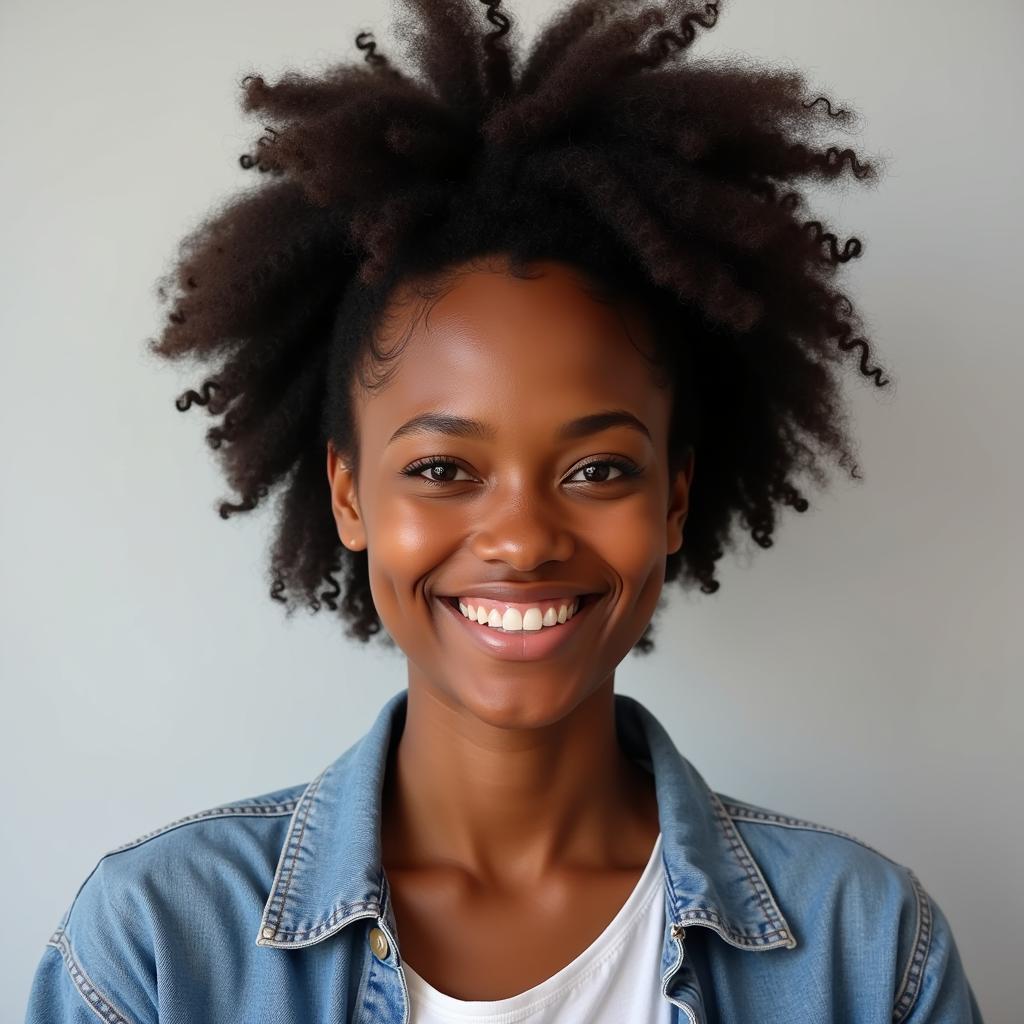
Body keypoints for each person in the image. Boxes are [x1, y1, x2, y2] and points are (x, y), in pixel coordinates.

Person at [25, 1, 985, 1021]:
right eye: (443, 469)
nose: (523, 538)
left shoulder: (868, 950)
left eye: (598, 469)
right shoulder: (156, 949)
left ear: (675, 498)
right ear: (349, 493)